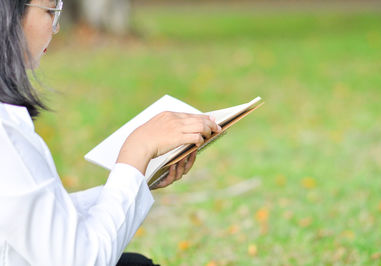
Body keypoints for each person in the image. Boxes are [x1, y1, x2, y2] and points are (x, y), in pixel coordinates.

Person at [0, 0, 222, 265]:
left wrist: (138, 177)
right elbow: (83, 260)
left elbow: (34, 220)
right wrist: (137, 149)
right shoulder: (8, 138)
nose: (56, 27)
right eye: (49, 10)